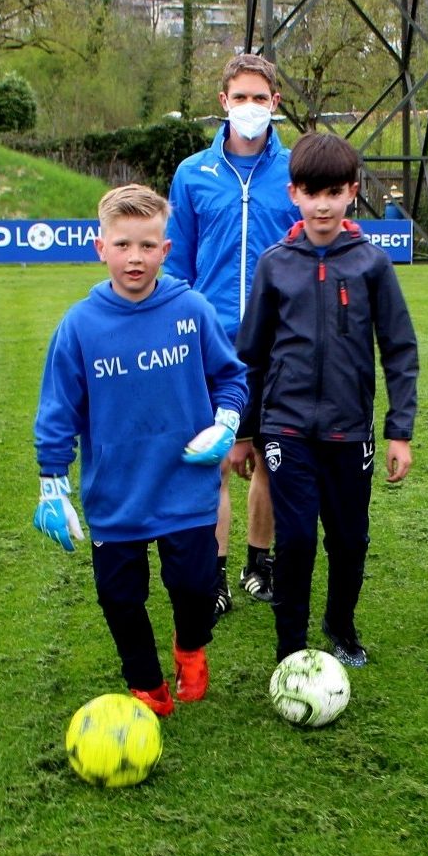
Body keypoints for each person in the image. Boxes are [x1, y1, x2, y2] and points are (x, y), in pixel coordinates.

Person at [33, 184, 248, 716]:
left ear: (166, 250)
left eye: (147, 246)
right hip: (117, 493)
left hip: (186, 486)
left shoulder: (192, 309)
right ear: (100, 246)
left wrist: (225, 421)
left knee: (195, 587)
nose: (136, 258)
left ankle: (190, 647)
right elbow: (57, 411)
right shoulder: (79, 326)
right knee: (120, 599)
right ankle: (146, 684)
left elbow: (231, 377)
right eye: (124, 245)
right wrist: (52, 484)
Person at [229, 132, 419, 667]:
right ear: (294, 193)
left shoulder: (371, 265)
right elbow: (252, 356)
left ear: (352, 193)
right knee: (294, 541)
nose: (322, 204)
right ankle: (290, 645)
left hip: (349, 431)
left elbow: (399, 349)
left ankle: (341, 626)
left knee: (349, 540)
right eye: (312, 192)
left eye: (333, 192)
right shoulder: (275, 263)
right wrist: (245, 433)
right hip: (285, 431)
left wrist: (399, 430)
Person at [167, 53, 301, 618]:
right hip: (214, 346)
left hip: (281, 342)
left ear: (275, 104)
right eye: (240, 97)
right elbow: (177, 263)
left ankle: (259, 564)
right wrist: (184, 325)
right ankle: (214, 574)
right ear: (223, 103)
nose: (250, 107)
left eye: (261, 97)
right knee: (214, 461)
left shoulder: (295, 170)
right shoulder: (192, 173)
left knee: (272, 459)